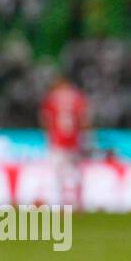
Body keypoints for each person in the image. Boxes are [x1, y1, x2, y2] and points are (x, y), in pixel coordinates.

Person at [40, 75, 90, 207]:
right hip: (74, 140)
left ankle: (62, 203)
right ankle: (79, 201)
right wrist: (84, 136)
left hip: (57, 141)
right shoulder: (77, 97)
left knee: (58, 174)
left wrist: (49, 136)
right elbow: (83, 119)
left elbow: (46, 119)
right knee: (77, 172)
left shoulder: (52, 97)